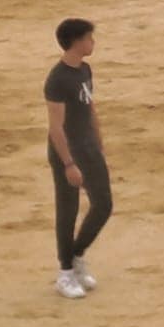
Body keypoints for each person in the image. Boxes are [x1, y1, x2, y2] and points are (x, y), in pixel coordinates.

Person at [44, 17, 114, 299]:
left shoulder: (84, 69)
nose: (92, 42)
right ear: (76, 42)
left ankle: (76, 255)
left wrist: (98, 139)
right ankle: (65, 272)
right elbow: (56, 127)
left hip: (87, 147)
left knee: (103, 204)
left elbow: (89, 107)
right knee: (68, 209)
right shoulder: (57, 80)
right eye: (89, 38)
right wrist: (68, 163)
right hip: (68, 150)